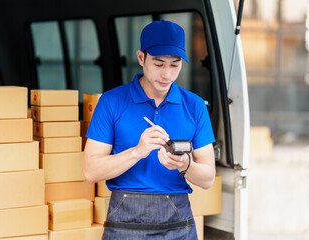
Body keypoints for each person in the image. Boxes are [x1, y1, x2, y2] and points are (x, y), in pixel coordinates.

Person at [84, 20, 216, 239]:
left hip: (178, 221)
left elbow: (208, 178)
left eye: (175, 65)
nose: (167, 74)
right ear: (140, 58)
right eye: (158, 64)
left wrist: (185, 165)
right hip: (124, 221)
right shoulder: (111, 102)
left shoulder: (194, 106)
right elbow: (90, 171)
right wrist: (138, 151)